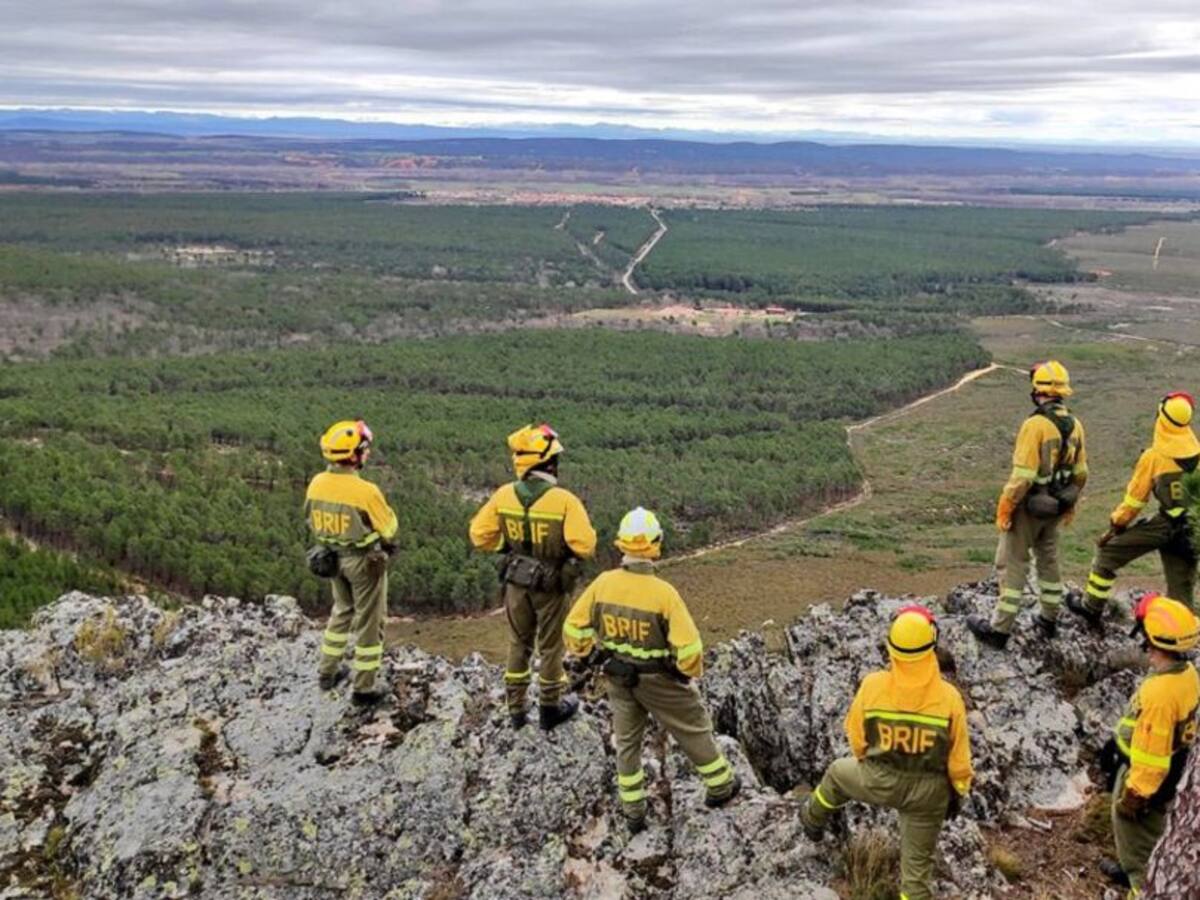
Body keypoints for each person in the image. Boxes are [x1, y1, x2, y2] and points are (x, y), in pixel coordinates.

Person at [563, 507, 740, 831]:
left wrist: (594, 657)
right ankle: (721, 785)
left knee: (627, 743)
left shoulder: (602, 584)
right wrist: (685, 674)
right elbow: (690, 651)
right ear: (655, 544)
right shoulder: (663, 594)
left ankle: (634, 812)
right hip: (659, 679)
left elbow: (574, 629)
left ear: (622, 544)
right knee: (694, 727)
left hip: (618, 678)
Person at [801, 606, 973, 900]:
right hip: (928, 794)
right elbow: (959, 761)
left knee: (836, 774)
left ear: (891, 649)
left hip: (878, 779)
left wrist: (873, 763)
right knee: (916, 874)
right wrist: (958, 791)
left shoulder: (873, 686)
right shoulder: (949, 698)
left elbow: (856, 739)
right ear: (931, 648)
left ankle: (812, 819)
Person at [469, 424, 596, 730]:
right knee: (551, 646)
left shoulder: (503, 495)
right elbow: (586, 545)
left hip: (515, 581)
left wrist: (509, 549)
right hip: (551, 586)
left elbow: (479, 535)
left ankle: (515, 709)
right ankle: (549, 708)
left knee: (518, 643)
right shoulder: (564, 500)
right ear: (549, 464)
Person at [969, 360, 1087, 649]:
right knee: (1049, 561)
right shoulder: (1076, 426)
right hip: (1056, 507)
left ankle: (999, 631)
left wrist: (1006, 506)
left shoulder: (1035, 425)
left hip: (1030, 509)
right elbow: (1081, 473)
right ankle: (1049, 619)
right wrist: (1069, 505)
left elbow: (1023, 476)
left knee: (1012, 564)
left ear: (1038, 390)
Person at [1070, 393, 1200, 630]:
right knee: (1182, 592)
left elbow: (1133, 502)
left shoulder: (1154, 457)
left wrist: (1115, 526)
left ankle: (1091, 607)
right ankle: (1183, 639)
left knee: (1107, 555)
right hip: (1190, 531)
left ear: (1162, 420)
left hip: (1163, 525)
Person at [1100, 593, 1198, 896]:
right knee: (1147, 836)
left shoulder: (1160, 694)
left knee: (1137, 838)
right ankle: (1131, 867)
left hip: (1146, 782)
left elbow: (1152, 759)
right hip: (1170, 775)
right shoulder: (1187, 675)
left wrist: (1135, 797)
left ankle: (1139, 883)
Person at [305, 419, 398, 704]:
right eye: (364, 449)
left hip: (331, 558)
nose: (367, 453)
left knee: (342, 610)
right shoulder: (365, 491)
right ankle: (364, 688)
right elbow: (389, 529)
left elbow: (310, 519)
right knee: (369, 621)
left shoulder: (317, 483)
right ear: (354, 455)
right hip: (362, 562)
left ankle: (327, 672)